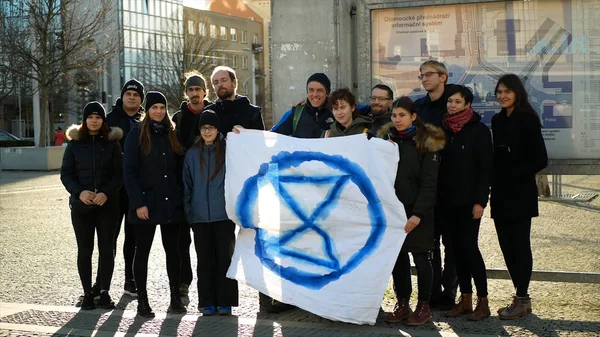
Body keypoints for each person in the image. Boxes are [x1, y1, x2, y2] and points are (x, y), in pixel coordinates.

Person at [380, 96, 444, 326]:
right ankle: (403, 303)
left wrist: (418, 214)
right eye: (394, 115)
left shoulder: (427, 142)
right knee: (398, 259)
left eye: (402, 115)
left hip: (419, 213)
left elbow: (429, 183)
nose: (397, 120)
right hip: (394, 212)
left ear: (413, 116)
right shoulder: (388, 141)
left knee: (421, 258)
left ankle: (423, 306)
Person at [123, 91, 187, 318]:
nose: (158, 111)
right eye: (154, 107)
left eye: (162, 107)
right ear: (147, 110)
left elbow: (180, 171)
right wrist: (138, 203)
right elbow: (129, 173)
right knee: (142, 253)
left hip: (171, 204)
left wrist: (181, 199)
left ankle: (175, 298)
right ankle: (142, 300)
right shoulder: (136, 135)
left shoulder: (173, 134)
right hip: (145, 205)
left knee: (174, 252)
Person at [491, 74, 548, 320]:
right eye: (499, 91)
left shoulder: (527, 118)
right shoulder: (497, 119)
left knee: (520, 245)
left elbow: (540, 159)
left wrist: (513, 164)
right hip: (500, 192)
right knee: (505, 246)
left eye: (508, 91)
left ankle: (523, 297)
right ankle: (518, 296)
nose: (503, 96)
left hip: (521, 191)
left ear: (517, 93)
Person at [437, 85, 493, 321]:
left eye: (457, 102)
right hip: (447, 203)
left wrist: (480, 201)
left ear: (468, 104)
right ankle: (466, 300)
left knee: (470, 249)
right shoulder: (444, 130)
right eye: (450, 101)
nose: (452, 105)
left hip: (470, 203)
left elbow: (485, 168)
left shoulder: (478, 130)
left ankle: (483, 301)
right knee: (455, 251)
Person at [60, 101, 123, 310]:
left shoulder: (113, 144)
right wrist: (79, 192)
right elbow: (66, 174)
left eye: (98, 117)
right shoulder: (74, 145)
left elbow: (119, 174)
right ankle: (87, 293)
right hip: (82, 207)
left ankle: (104, 292)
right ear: (84, 121)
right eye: (90, 117)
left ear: (103, 120)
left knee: (107, 249)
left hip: (108, 206)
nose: (94, 121)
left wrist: (106, 192)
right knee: (84, 250)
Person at [183, 110, 238, 316]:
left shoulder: (227, 151)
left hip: (223, 216)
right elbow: (186, 185)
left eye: (211, 128)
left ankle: (226, 301)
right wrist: (190, 212)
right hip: (199, 217)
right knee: (204, 261)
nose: (207, 132)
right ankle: (207, 301)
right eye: (204, 128)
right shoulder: (191, 154)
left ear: (217, 130)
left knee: (225, 259)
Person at [414, 60, 458, 309]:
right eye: (421, 75)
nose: (424, 79)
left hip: (453, 185)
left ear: (443, 77)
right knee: (430, 243)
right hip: (429, 185)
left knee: (452, 244)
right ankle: (432, 293)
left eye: (428, 74)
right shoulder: (419, 107)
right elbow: (386, 110)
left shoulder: (454, 103)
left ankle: (450, 293)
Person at [104, 78, 145, 299]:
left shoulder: (145, 120)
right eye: (128, 94)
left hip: (135, 188)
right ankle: (103, 283)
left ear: (140, 99)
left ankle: (130, 280)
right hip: (112, 188)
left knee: (133, 236)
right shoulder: (109, 120)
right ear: (122, 96)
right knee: (109, 236)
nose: (132, 97)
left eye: (136, 95)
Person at [171, 71, 211, 297]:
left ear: (205, 91)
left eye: (198, 89)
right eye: (190, 90)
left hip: (209, 186)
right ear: (186, 93)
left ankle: (212, 287)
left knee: (207, 242)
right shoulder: (178, 118)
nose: (194, 93)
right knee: (181, 240)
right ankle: (183, 281)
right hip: (183, 186)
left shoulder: (215, 113)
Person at [191, 66, 264, 139]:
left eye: (224, 80)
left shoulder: (253, 113)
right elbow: (196, 144)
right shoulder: (206, 113)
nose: (220, 84)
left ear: (234, 83)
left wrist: (245, 134)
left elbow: (260, 143)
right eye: (215, 82)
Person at [271, 73, 334, 138]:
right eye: (311, 90)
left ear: (327, 93)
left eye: (319, 90)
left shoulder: (335, 113)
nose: (314, 94)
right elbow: (272, 136)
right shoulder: (296, 113)